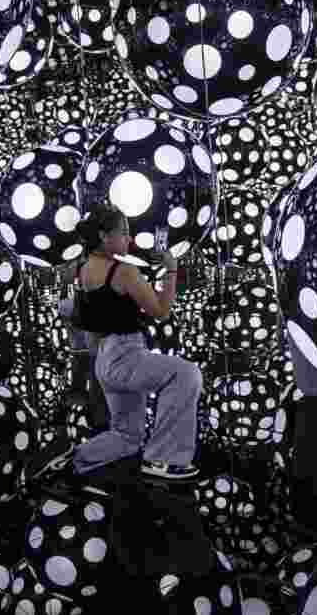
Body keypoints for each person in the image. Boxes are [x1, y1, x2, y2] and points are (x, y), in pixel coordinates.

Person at [64, 203, 203, 482]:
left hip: (103, 359)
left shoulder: (80, 269)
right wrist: (172, 271)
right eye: (124, 232)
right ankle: (163, 460)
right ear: (105, 236)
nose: (130, 239)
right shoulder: (124, 272)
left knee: (128, 436)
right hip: (126, 353)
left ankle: (75, 459)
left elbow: (87, 320)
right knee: (186, 374)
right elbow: (162, 312)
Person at [58, 270, 109, 435]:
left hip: (84, 354)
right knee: (94, 394)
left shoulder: (68, 305)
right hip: (89, 355)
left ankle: (95, 422)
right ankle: (98, 423)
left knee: (91, 394)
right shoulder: (96, 303)